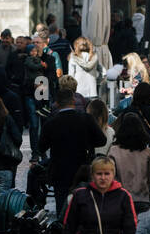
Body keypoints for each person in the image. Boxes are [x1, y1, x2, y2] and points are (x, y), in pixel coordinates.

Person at [38, 88, 107, 218]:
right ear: (73, 101)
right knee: (85, 206)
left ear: (57, 103)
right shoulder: (86, 119)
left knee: (62, 209)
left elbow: (41, 147)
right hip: (83, 169)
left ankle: (63, 233)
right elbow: (101, 140)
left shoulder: (51, 123)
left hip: (60, 171)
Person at [108, 113, 150, 215]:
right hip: (143, 198)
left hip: (120, 197)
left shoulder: (113, 151)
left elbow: (111, 177)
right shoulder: (147, 152)